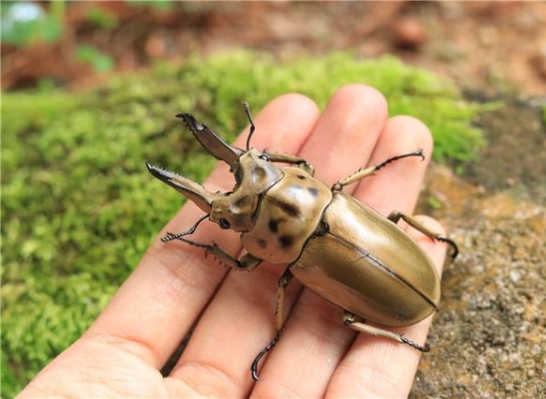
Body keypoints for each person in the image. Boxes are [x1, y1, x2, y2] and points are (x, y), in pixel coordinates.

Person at [19, 84, 449, 398]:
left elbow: (244, 262)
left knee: (350, 314)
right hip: (397, 284)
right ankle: (400, 335)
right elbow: (306, 165)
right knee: (386, 237)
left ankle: (398, 337)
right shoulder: (331, 194)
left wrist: (208, 245)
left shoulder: (289, 264)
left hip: (400, 296)